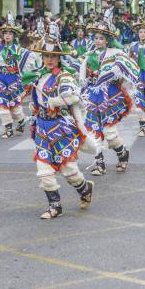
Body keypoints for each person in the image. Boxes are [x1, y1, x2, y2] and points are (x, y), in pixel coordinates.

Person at [28, 19, 96, 220]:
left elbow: (73, 97)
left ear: (59, 59)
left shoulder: (64, 76)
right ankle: (54, 206)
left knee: (69, 171)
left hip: (60, 128)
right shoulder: (38, 76)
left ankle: (85, 189)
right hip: (42, 128)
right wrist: (35, 107)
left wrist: (54, 102)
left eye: (53, 56)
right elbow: (36, 99)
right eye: (46, 55)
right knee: (44, 170)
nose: (49, 59)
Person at [80, 10, 139, 176]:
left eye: (101, 39)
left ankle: (122, 153)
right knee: (92, 130)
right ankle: (100, 164)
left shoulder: (117, 54)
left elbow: (131, 70)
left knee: (109, 133)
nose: (98, 41)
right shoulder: (89, 55)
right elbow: (82, 75)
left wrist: (117, 75)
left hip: (111, 95)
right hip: (92, 96)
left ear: (108, 40)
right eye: (96, 38)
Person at [0, 12, 42, 139]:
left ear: (14, 35)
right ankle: (8, 129)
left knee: (15, 107)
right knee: (2, 105)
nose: (7, 36)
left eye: (10, 33)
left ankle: (21, 121)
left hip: (14, 79)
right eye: (5, 33)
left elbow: (30, 60)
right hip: (1, 79)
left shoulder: (19, 50)